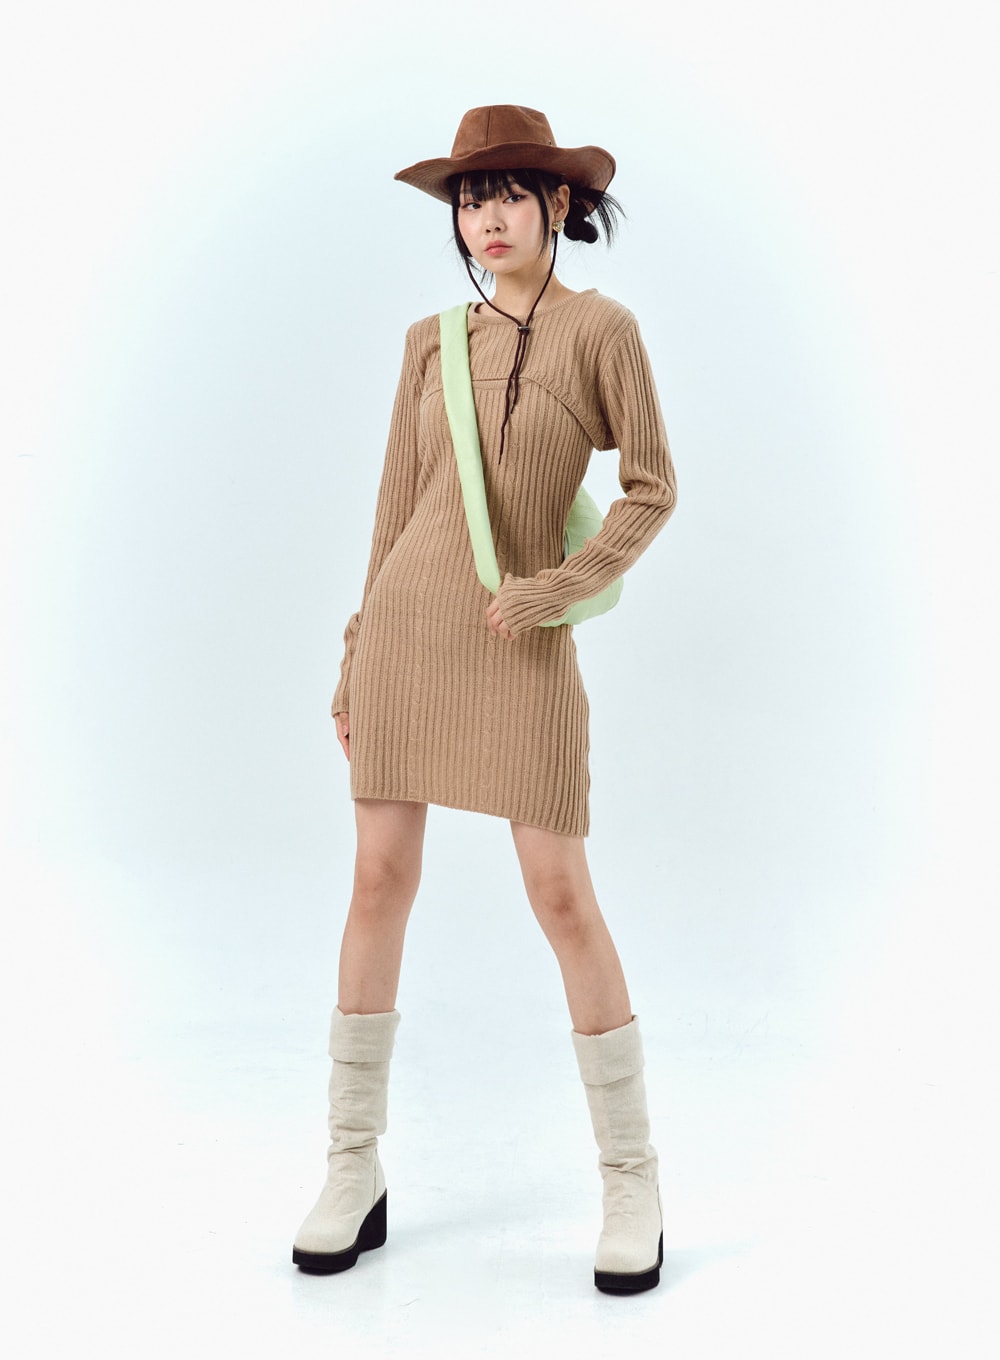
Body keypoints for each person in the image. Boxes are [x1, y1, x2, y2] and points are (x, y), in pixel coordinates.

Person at [292, 105, 677, 1294]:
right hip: (408, 637)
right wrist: (355, 652)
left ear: (559, 205)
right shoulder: (430, 343)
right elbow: (393, 508)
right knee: (377, 881)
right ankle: (350, 1166)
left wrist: (558, 587)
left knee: (560, 894)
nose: (487, 218)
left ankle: (632, 1180)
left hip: (522, 640)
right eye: (470, 199)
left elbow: (651, 488)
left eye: (509, 193)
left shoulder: (603, 332)